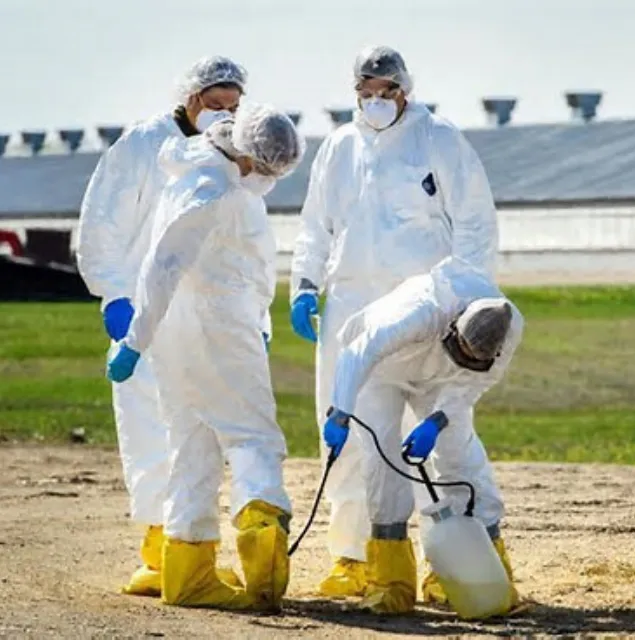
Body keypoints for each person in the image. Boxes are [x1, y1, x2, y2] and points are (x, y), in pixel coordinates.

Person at [288, 45, 499, 599]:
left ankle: (447, 560)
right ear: (354, 93)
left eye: (386, 90)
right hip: (352, 309)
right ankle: (354, 556)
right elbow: (315, 226)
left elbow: (475, 222)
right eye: (366, 92)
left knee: (440, 437)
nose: (377, 101)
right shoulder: (337, 147)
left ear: (406, 89)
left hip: (429, 309)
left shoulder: (441, 139)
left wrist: (469, 295)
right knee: (354, 435)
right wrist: (305, 285)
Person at [105, 104, 305, 611]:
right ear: (247, 156)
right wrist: (133, 340)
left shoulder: (197, 174)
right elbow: (162, 267)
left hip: (179, 335)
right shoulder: (213, 191)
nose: (265, 179)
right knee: (254, 438)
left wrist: (144, 339)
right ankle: (263, 557)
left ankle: (189, 571)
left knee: (192, 444)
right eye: (266, 169)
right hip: (220, 327)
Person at [75, 55, 248, 597]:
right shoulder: (141, 144)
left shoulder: (223, 151)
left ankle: (190, 546)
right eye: (215, 104)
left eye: (233, 107)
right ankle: (159, 550)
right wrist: (113, 297)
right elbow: (101, 223)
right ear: (190, 98)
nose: (223, 114)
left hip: (199, 314)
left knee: (198, 431)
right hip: (141, 311)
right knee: (150, 428)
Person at [321, 256, 521, 614]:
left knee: (460, 455)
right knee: (382, 456)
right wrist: (341, 411)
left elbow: (472, 385)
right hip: (383, 372)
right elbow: (358, 353)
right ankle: (390, 580)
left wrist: (438, 421)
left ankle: (478, 571)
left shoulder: (509, 329)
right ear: (452, 327)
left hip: (444, 381)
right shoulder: (417, 313)